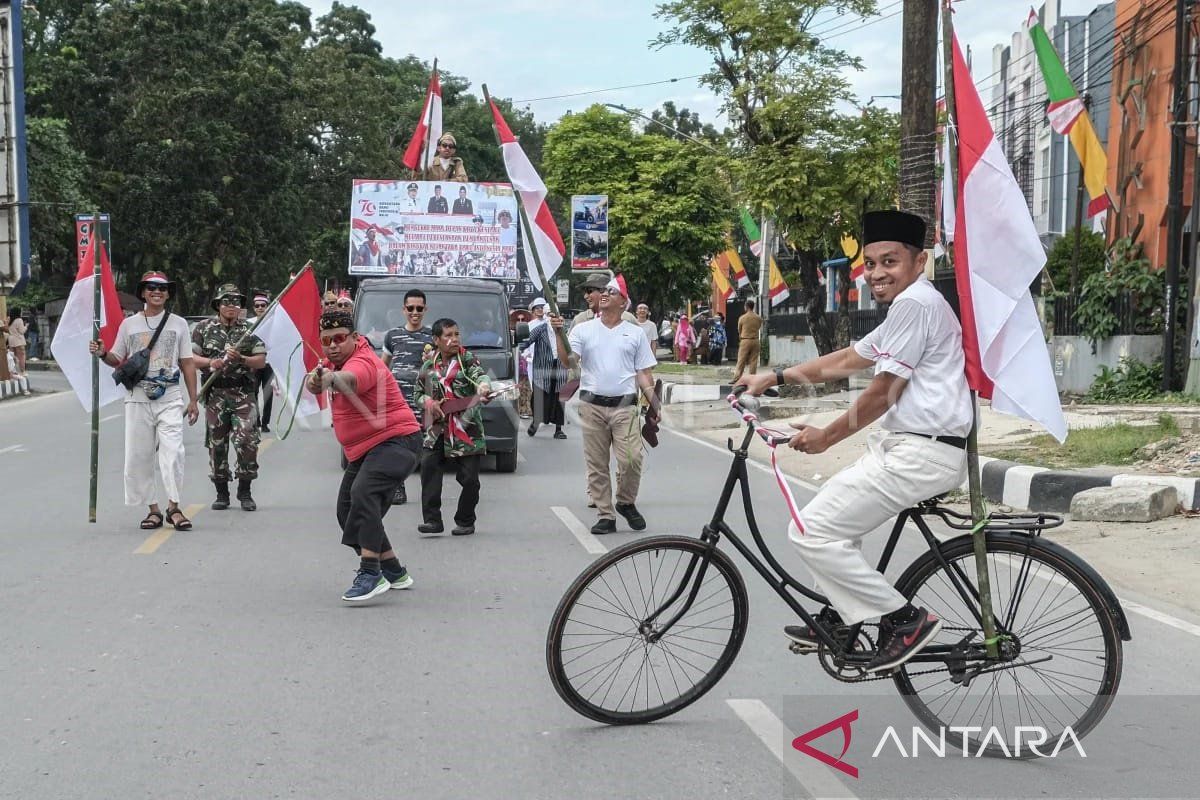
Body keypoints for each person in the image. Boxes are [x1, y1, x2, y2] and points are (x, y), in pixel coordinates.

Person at [737, 210, 970, 673]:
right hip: (912, 448)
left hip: (921, 453)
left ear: (920, 261)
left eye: (891, 261)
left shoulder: (915, 305)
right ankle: (845, 618)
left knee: (811, 530)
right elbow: (848, 359)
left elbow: (883, 392)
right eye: (871, 263)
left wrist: (825, 437)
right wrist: (775, 376)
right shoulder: (908, 307)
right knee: (834, 524)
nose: (878, 273)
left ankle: (904, 620)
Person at [305, 308, 423, 603]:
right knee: (347, 512)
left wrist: (330, 378)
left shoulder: (364, 360)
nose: (333, 345)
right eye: (327, 340)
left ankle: (370, 572)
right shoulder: (332, 363)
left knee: (363, 493)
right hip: (366, 449)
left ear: (354, 338)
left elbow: (352, 380)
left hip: (397, 441)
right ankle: (394, 570)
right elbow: (318, 379)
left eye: (340, 338)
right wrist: (315, 380)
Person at [90, 272, 200, 531]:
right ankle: (152, 509)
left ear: (168, 294)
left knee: (173, 453)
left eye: (162, 288)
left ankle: (174, 507)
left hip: (170, 396)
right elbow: (117, 358)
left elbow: (187, 362)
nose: (157, 292)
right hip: (137, 398)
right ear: (143, 293)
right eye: (151, 288)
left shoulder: (179, 324)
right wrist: (102, 353)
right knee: (139, 457)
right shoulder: (129, 325)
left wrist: (193, 400)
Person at [560, 277, 659, 535]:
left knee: (631, 459)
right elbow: (569, 362)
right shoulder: (583, 330)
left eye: (610, 291)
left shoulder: (635, 333)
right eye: (602, 291)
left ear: (624, 302)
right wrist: (561, 335)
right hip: (591, 406)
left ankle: (625, 502)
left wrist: (655, 404)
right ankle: (606, 514)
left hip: (625, 407)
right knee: (597, 464)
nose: (603, 294)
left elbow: (644, 374)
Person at [192, 284, 267, 512]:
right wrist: (210, 363)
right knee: (217, 445)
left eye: (235, 302)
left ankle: (245, 490)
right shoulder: (203, 328)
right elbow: (191, 358)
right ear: (218, 305)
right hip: (215, 394)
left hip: (243, 394)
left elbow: (261, 360)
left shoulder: (250, 329)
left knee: (247, 440)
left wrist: (241, 358)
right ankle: (221, 492)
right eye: (226, 301)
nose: (231, 306)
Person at [415, 318, 492, 537]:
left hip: (466, 426)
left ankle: (465, 520)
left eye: (456, 334)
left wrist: (485, 386)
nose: (454, 339)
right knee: (429, 469)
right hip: (437, 427)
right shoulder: (428, 365)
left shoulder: (467, 359)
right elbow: (417, 394)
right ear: (436, 340)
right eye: (448, 335)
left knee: (469, 479)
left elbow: (480, 376)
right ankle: (432, 520)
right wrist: (429, 403)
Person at [382, 289, 433, 505]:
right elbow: (382, 367)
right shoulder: (392, 336)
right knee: (398, 450)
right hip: (398, 402)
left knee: (427, 450)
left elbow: (441, 368)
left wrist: (431, 360)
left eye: (419, 308)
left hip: (424, 401)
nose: (415, 312)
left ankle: (429, 495)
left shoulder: (432, 336)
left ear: (425, 309)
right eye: (410, 308)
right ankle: (397, 489)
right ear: (403, 310)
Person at [520, 297, 567, 439]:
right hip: (542, 369)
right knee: (540, 398)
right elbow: (526, 342)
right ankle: (535, 423)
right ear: (546, 316)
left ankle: (558, 429)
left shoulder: (563, 331)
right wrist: (516, 348)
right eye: (549, 315)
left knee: (559, 399)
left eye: (554, 315)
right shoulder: (540, 329)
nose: (552, 318)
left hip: (559, 369)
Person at [247, 289, 275, 432]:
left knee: (268, 394)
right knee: (252, 393)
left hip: (269, 363)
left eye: (262, 306)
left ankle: (265, 423)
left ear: (267, 306)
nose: (260, 308)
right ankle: (256, 420)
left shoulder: (274, 322)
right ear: (254, 308)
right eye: (257, 306)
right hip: (254, 363)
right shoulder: (248, 324)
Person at [572, 273, 638, 327]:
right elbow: (568, 343)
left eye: (589, 291)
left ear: (603, 291)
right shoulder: (580, 320)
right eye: (584, 292)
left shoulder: (627, 318)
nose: (585, 296)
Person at [733, 299, 762, 381]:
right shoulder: (758, 318)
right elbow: (759, 327)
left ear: (746, 307)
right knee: (754, 360)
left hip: (745, 340)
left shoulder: (742, 318)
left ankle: (737, 378)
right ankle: (752, 378)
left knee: (741, 359)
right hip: (756, 340)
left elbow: (739, 329)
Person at [6, 309, 27, 375]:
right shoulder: (19, 320)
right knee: (21, 356)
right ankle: (23, 371)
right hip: (19, 340)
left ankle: (13, 371)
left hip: (11, 340)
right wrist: (26, 326)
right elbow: (22, 331)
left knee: (13, 356)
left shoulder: (9, 320)